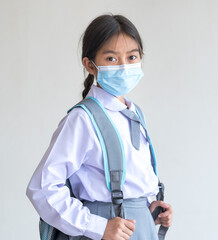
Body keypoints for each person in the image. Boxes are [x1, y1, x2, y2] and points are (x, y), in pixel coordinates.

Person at [26, 14, 173, 240]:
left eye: (132, 57)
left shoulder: (135, 114)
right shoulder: (82, 120)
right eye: (112, 59)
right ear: (90, 65)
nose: (124, 66)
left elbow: (129, 185)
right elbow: (43, 188)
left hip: (138, 228)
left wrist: (149, 211)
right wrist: (96, 226)